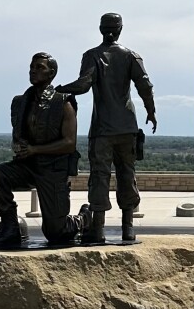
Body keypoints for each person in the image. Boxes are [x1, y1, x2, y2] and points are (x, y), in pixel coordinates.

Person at [57, 13, 156, 243]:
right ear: (120, 29)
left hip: (102, 129)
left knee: (100, 176)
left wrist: (59, 89)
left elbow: (83, 85)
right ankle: (128, 228)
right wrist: (151, 111)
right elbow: (145, 85)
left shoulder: (91, 56)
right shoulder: (131, 56)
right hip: (127, 127)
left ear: (101, 29)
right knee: (127, 175)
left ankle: (98, 230)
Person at [0, 52, 88, 247]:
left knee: (55, 233)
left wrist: (35, 149)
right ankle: (10, 227)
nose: (33, 71)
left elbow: (69, 143)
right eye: (32, 67)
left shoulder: (62, 102)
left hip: (53, 169)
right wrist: (20, 146)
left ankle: (84, 218)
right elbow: (18, 135)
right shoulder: (20, 102)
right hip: (27, 166)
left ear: (52, 73)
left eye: (40, 67)